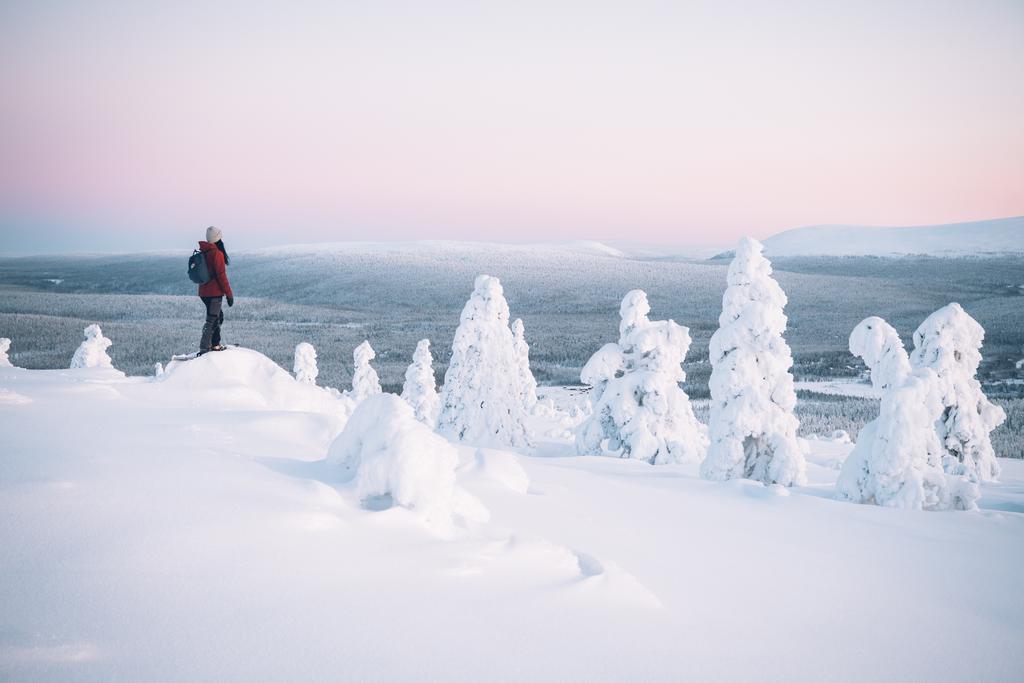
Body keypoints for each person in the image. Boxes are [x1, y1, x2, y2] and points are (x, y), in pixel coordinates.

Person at [197, 226, 234, 354]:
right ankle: (208, 348)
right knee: (213, 319)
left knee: (217, 317)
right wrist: (229, 295)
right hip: (214, 294)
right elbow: (221, 276)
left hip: (204, 292)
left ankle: (213, 344)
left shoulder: (204, 251)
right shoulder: (217, 254)